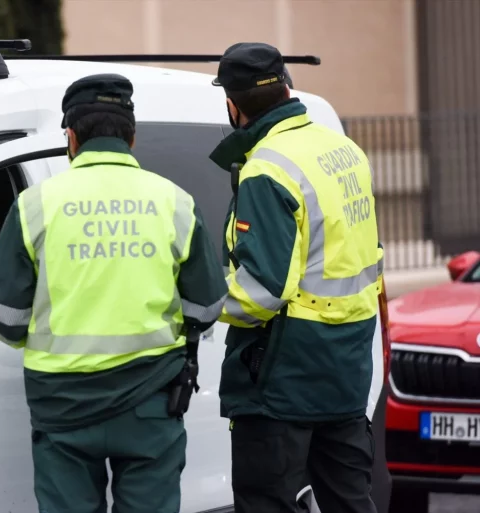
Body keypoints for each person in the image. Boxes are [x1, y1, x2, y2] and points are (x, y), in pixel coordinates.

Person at [0, 73, 228, 513]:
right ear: (131, 139)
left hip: (63, 407)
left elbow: (8, 319)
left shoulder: (34, 205)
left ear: (71, 138)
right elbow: (207, 305)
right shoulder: (174, 201)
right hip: (151, 402)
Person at [209, 42, 384, 513]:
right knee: (350, 501)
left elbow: (259, 294)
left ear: (232, 104)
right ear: (287, 86)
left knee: (267, 501)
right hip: (347, 370)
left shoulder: (268, 168)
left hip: (283, 377)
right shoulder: (345, 150)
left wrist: (202, 302)